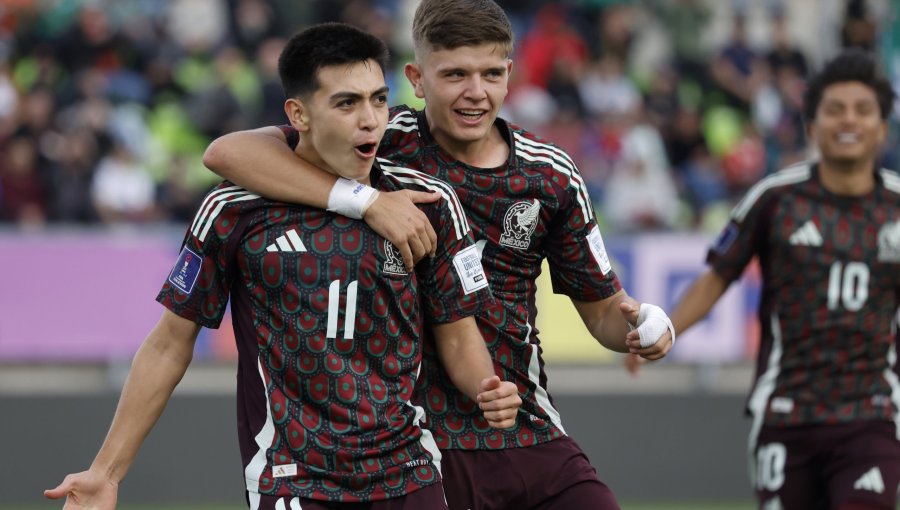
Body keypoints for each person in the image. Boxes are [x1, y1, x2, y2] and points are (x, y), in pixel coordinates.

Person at [202, 2, 676, 509]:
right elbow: (228, 154)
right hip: (415, 446)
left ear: (509, 75)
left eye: (491, 73)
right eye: (455, 75)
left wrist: (636, 327)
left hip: (520, 423)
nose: (476, 92)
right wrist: (368, 200)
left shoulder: (550, 176)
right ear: (417, 78)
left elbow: (603, 309)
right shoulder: (375, 141)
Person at [44, 22, 522, 510]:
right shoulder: (234, 211)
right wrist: (105, 472)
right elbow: (169, 345)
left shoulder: (427, 203)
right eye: (346, 103)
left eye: (379, 99)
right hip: (293, 483)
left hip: (409, 477)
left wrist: (487, 387)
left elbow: (460, 336)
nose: (371, 120)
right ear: (299, 114)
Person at [636, 49, 900, 509]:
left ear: (882, 126)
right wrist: (670, 331)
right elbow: (718, 276)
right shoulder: (775, 199)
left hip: (871, 412)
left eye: (863, 110)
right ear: (811, 126)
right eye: (835, 110)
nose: (849, 120)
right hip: (785, 411)